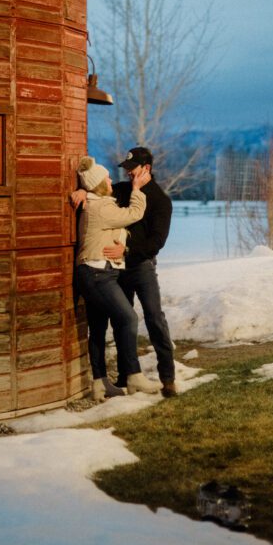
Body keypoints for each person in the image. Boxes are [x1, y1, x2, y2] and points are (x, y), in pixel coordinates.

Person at [72, 146, 177, 398]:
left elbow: (156, 242)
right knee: (122, 321)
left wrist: (127, 251)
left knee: (154, 318)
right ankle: (125, 375)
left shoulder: (161, 201)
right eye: (126, 169)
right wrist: (81, 191)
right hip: (114, 270)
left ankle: (168, 378)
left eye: (133, 169)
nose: (128, 173)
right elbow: (98, 192)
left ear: (146, 168)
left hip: (140, 267)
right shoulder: (121, 190)